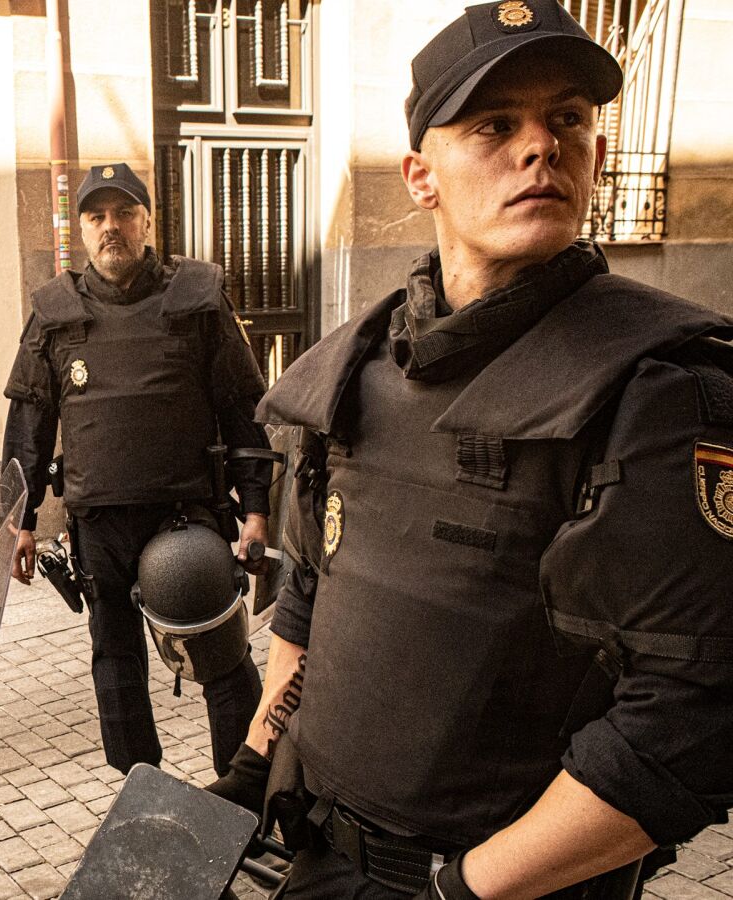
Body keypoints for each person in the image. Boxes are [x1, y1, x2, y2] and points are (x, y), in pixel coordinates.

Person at [205, 3, 733, 897]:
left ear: (598, 154)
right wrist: (255, 766)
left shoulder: (660, 393)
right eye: (495, 125)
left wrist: (465, 887)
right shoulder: (356, 370)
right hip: (321, 861)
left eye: (567, 119)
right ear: (421, 176)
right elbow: (310, 596)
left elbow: (690, 719)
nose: (541, 147)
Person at [2, 163, 271, 776]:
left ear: (147, 221)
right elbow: (28, 426)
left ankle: (244, 789)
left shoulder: (196, 298)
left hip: (187, 519)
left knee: (220, 656)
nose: (110, 227)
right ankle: (139, 790)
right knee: (116, 664)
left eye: (124, 213)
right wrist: (21, 522)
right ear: (81, 229)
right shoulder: (54, 313)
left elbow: (241, 409)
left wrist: (256, 510)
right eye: (96, 216)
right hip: (100, 526)